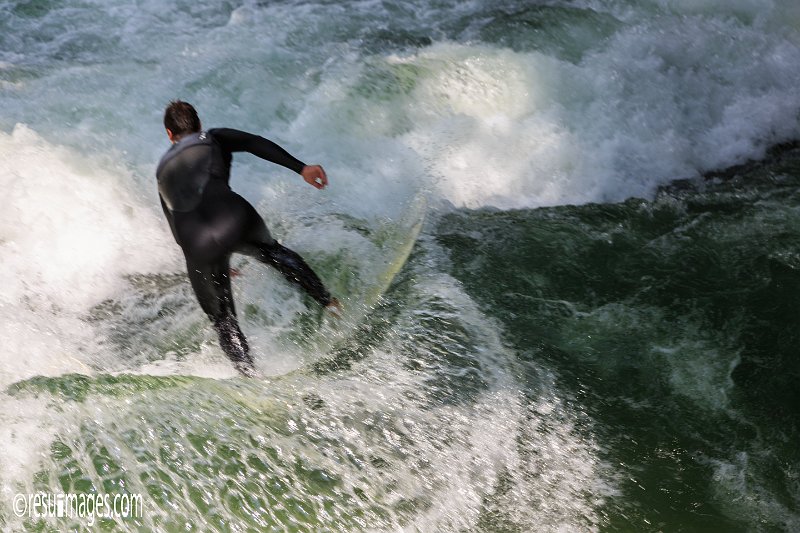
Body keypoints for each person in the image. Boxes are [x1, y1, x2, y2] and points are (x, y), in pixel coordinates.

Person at [156, 100, 339, 376]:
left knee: (223, 321)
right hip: (234, 218)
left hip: (198, 246)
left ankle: (252, 380)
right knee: (274, 254)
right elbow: (255, 143)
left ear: (169, 134)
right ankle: (332, 306)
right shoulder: (214, 137)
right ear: (199, 124)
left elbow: (176, 230)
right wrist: (301, 168)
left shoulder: (160, 172)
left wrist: (213, 263)